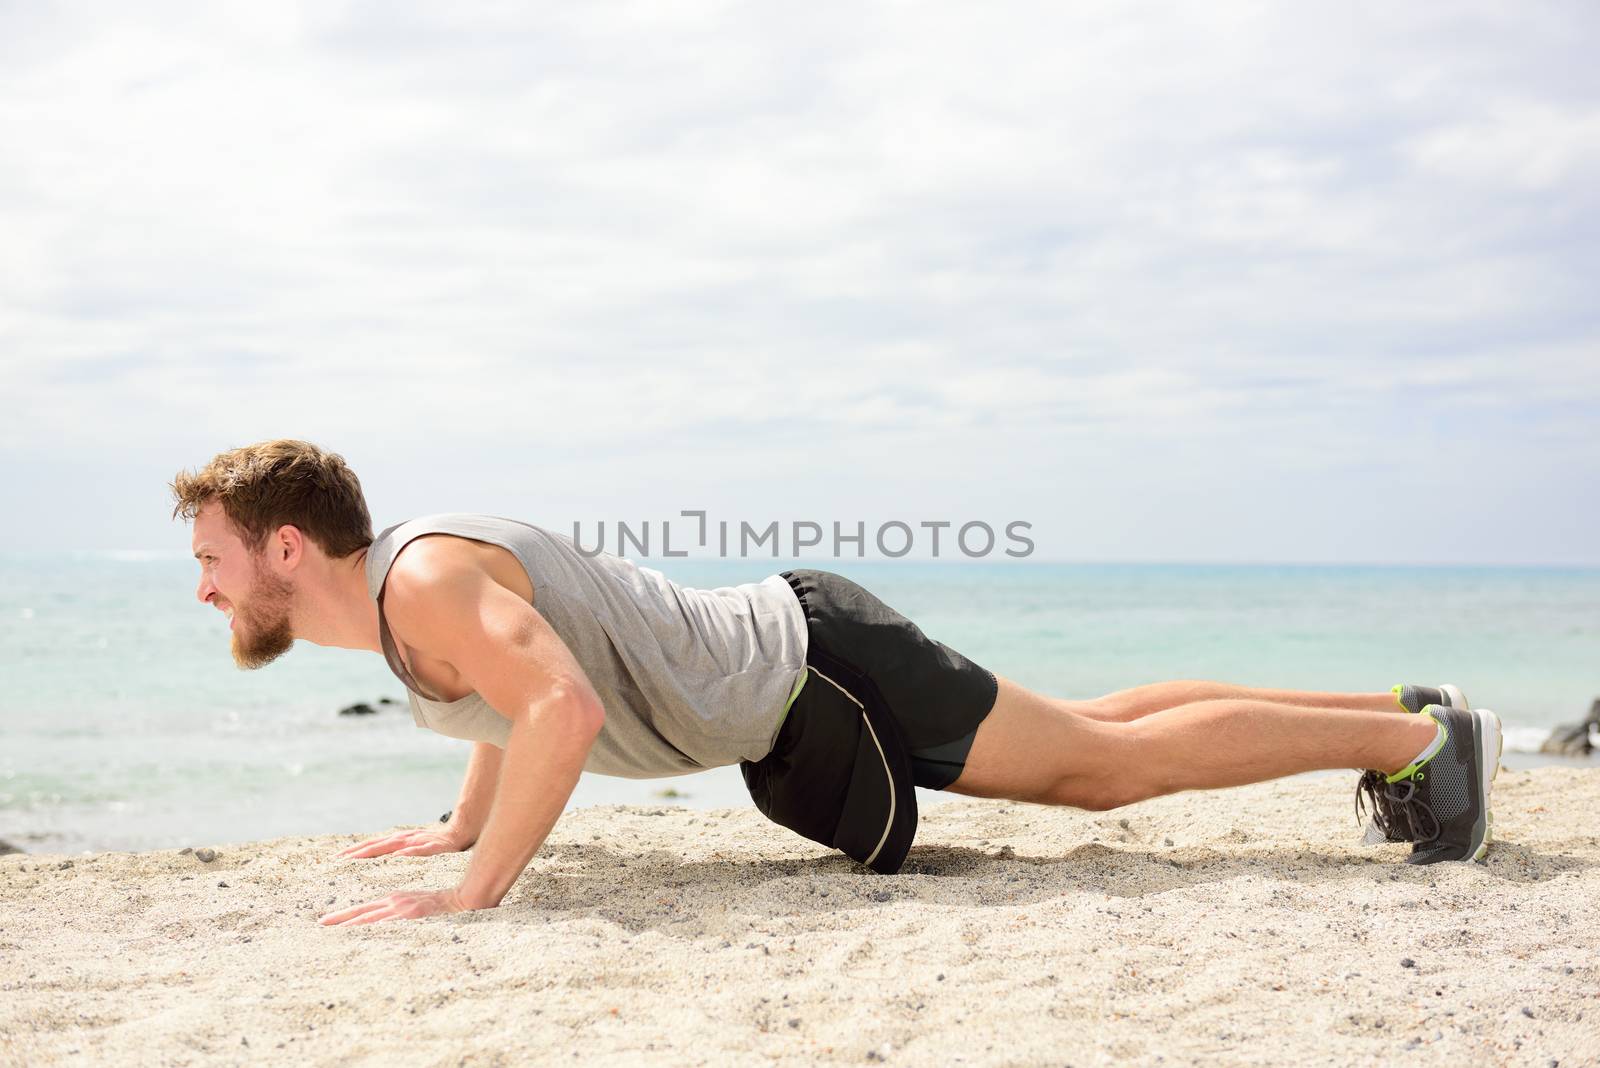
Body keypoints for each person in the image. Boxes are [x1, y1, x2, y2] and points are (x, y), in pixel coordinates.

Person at [171, 440, 1501, 927]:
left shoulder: (424, 585)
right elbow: (512, 698)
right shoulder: (416, 599)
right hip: (807, 653)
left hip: (819, 669)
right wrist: (466, 822)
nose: (208, 587)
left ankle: (1415, 745)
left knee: (1104, 774)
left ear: (289, 546)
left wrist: (474, 891)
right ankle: (1403, 716)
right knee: (1094, 727)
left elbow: (560, 715)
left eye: (217, 560)